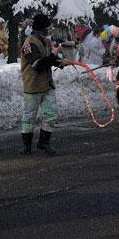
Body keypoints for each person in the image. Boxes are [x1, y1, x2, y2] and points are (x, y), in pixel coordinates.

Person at [20, 14, 68, 156]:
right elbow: (38, 64)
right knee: (29, 117)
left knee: (51, 114)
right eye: (46, 28)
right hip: (33, 86)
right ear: (41, 28)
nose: (48, 30)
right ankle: (26, 146)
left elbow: (49, 59)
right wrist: (53, 56)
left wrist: (60, 62)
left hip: (47, 85)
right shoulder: (29, 43)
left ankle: (43, 142)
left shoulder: (45, 41)